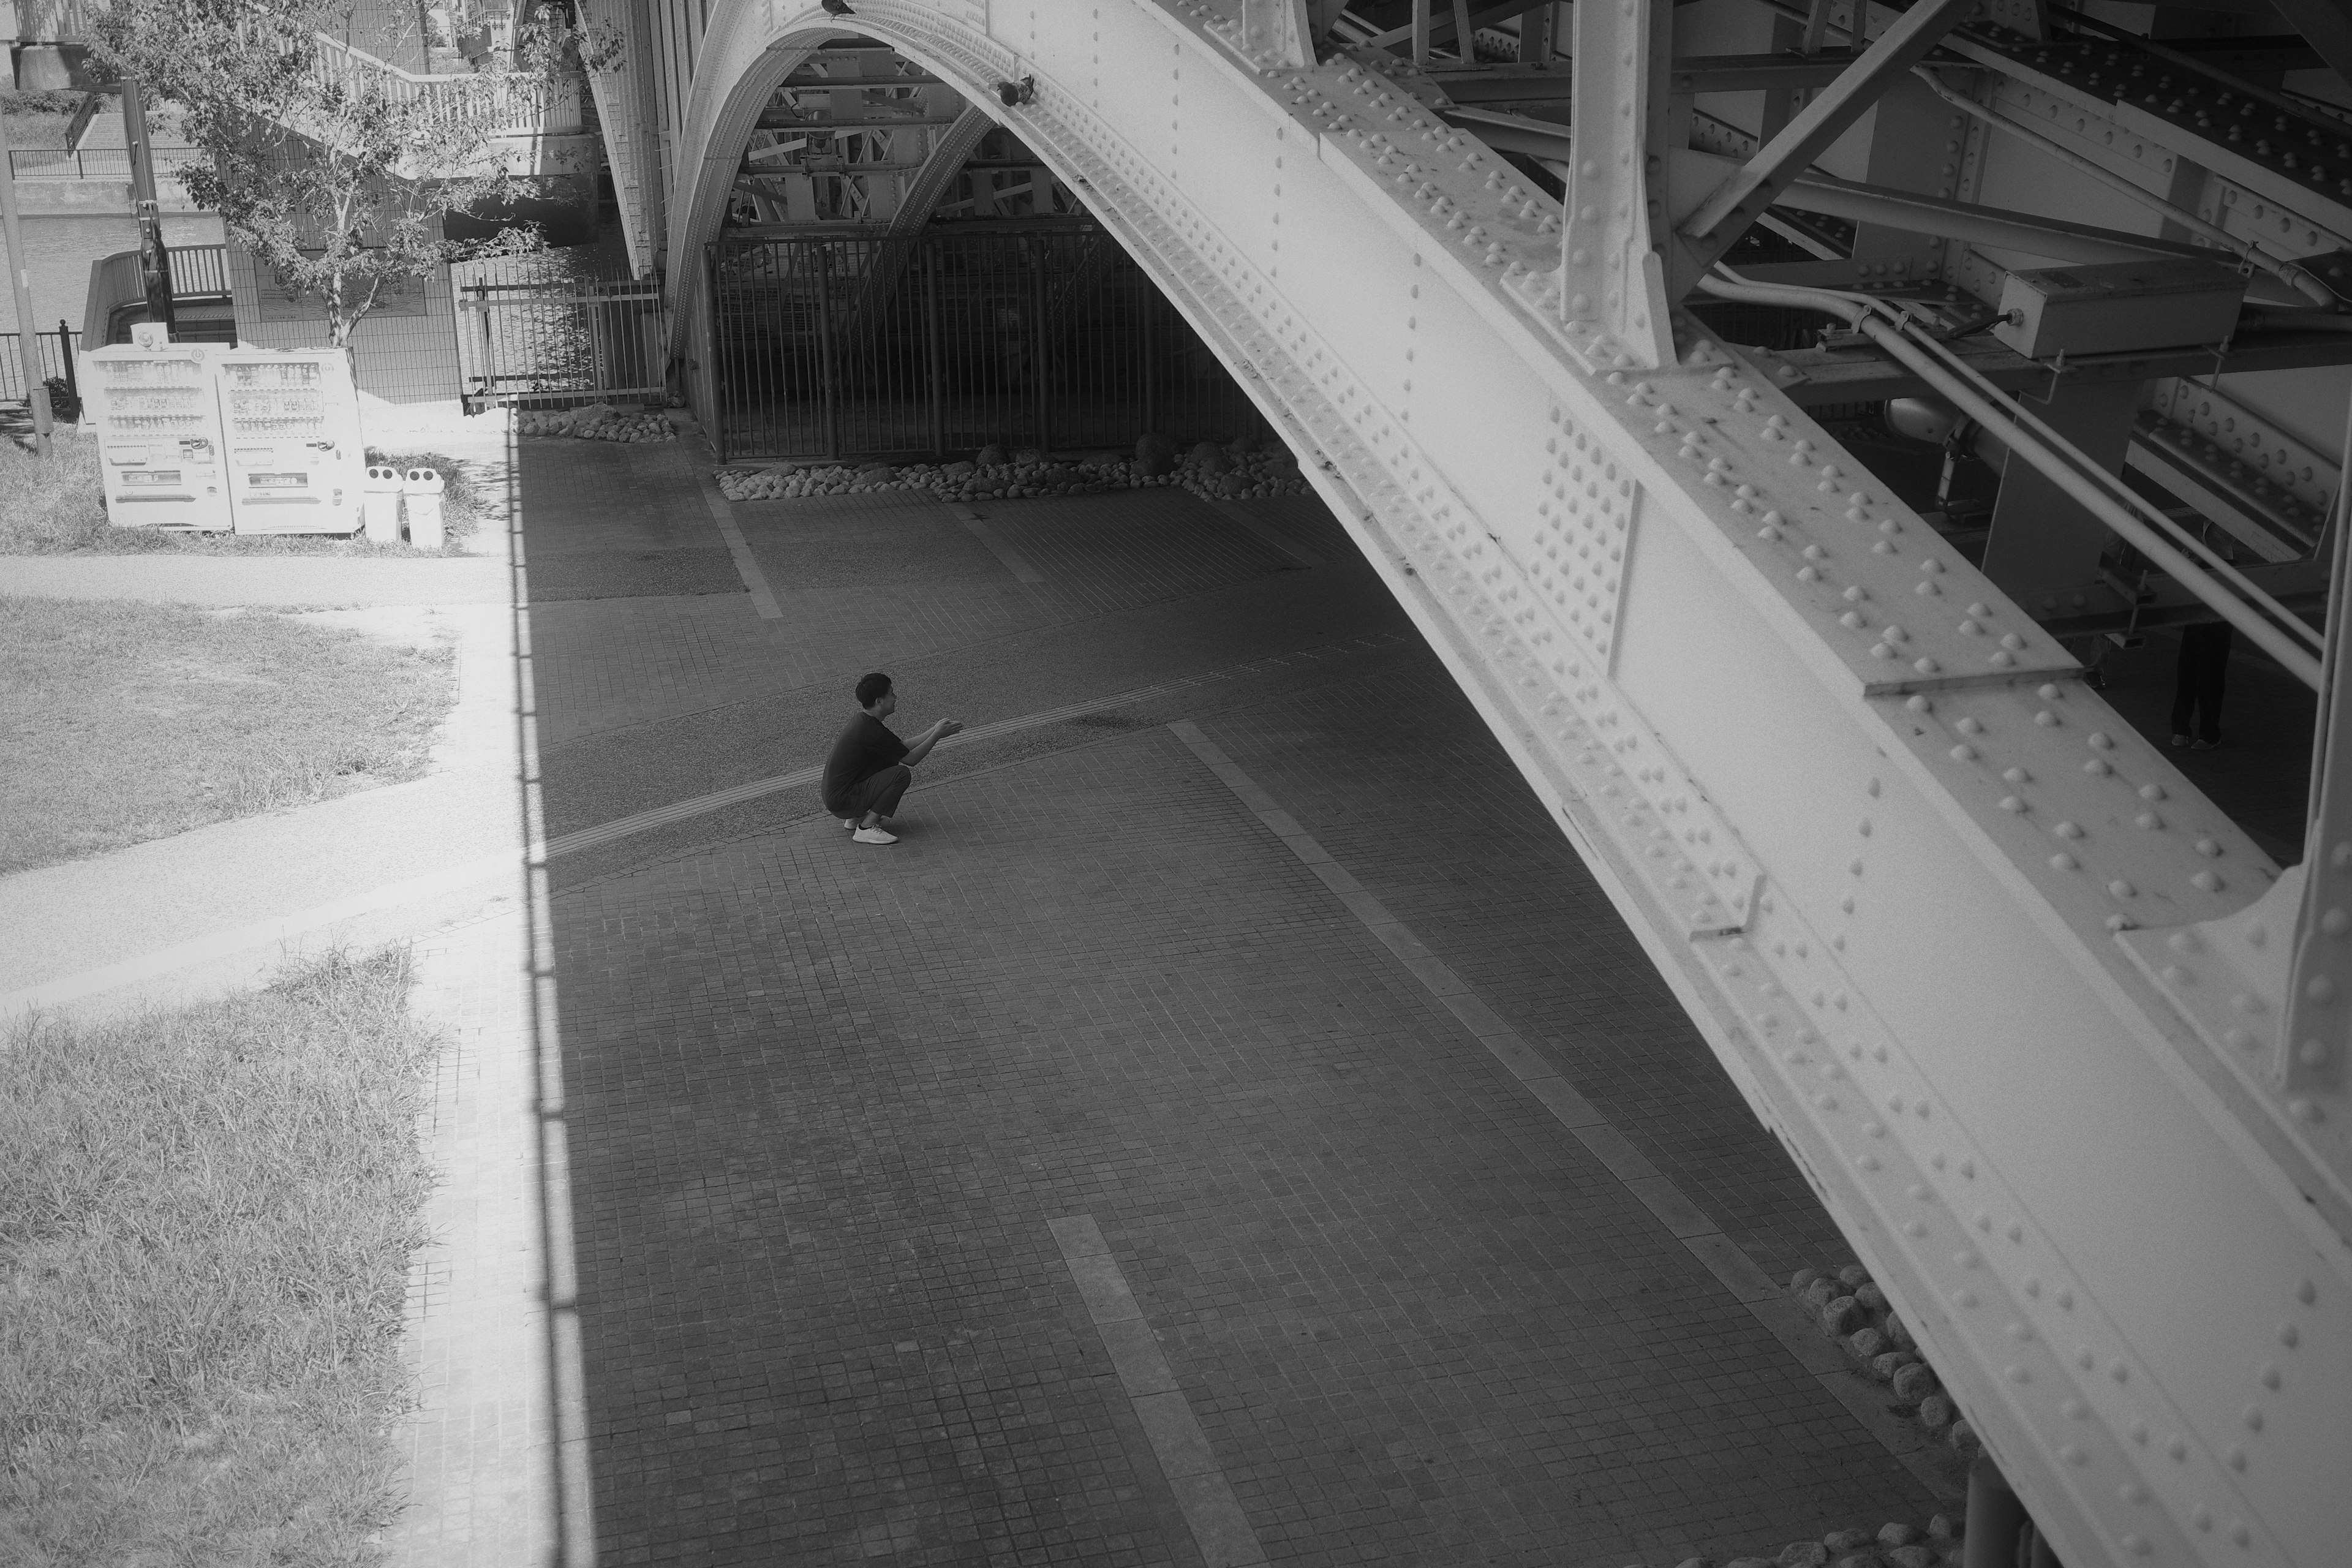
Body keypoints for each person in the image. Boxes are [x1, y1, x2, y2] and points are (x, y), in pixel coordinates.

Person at [821, 673, 960, 845]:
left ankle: (855, 818)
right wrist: (937, 736)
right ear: (879, 701)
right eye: (892, 694)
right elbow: (911, 759)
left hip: (837, 797)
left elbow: (901, 746)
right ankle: (866, 827)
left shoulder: (863, 721)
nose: (895, 698)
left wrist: (934, 730)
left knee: (889, 759)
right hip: (843, 801)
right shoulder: (871, 730)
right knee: (901, 774)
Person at [2170, 620, 2233, 752]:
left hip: (2218, 619)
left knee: (2209, 677)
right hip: (2197, 618)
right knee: (2186, 672)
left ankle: (2210, 735)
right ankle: (2181, 728)